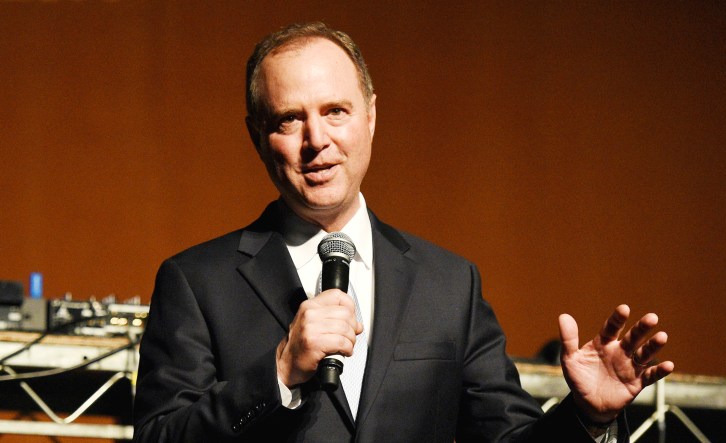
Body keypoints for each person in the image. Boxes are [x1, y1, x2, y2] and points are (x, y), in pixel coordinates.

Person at [132, 22, 674, 442]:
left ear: (370, 117)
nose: (316, 139)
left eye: (336, 111)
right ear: (258, 137)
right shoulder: (197, 282)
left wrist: (586, 418)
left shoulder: (449, 284)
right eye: (289, 119)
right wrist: (277, 372)